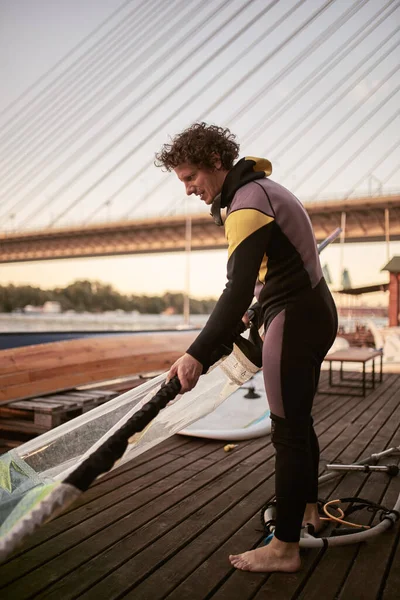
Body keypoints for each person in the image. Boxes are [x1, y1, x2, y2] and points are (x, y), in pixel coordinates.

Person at [155, 122, 338, 573]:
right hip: (310, 314)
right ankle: (309, 511)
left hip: (294, 320)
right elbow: (270, 270)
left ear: (215, 162)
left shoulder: (246, 203)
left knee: (288, 432)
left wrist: (196, 352)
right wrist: (255, 304)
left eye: (190, 177)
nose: (188, 190)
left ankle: (284, 549)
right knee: (298, 421)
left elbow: (234, 289)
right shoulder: (257, 191)